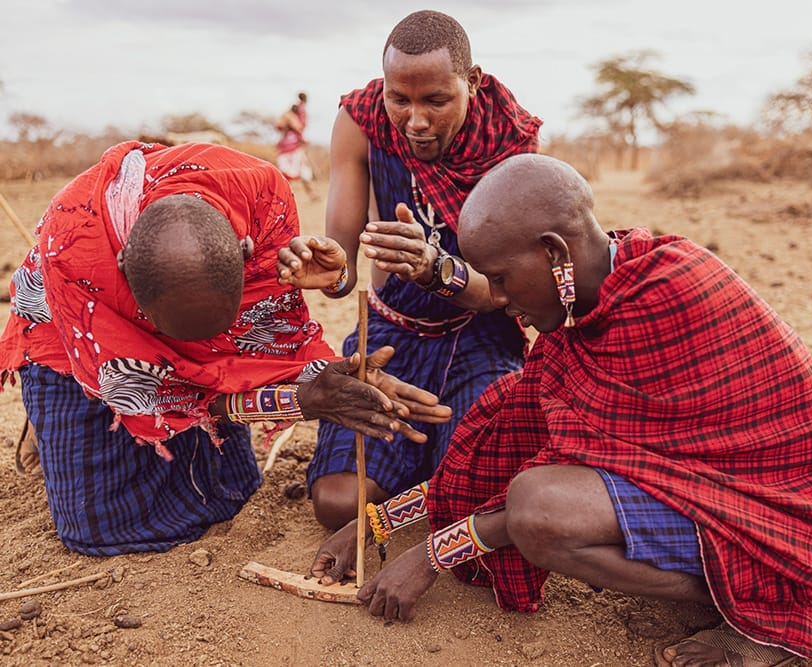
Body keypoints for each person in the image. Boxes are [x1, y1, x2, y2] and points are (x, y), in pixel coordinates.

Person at [309, 155, 812, 667]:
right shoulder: (586, 313)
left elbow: (529, 497)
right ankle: (741, 588)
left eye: (502, 279)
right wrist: (378, 523)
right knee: (508, 430)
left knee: (539, 511)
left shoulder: (670, 291)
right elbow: (502, 448)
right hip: (710, 495)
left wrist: (435, 554)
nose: (499, 300)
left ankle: (762, 612)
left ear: (554, 252)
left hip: (796, 521)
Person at [0, 140, 450, 557]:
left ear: (244, 253)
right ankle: (54, 426)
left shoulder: (259, 197)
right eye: (182, 335)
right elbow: (157, 390)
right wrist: (299, 400)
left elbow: (269, 334)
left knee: (234, 492)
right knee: (98, 526)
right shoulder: (76, 252)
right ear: (124, 271)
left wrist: (320, 375)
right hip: (77, 342)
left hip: (186, 347)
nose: (191, 351)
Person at [279, 10, 542, 533]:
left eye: (436, 101)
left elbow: (507, 295)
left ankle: (439, 463)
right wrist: (331, 273)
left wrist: (435, 269)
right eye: (400, 99)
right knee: (337, 503)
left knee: (485, 490)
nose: (415, 121)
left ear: (472, 82)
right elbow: (344, 267)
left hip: (478, 337)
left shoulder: (510, 141)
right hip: (390, 333)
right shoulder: (361, 120)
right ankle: (431, 465)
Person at [275, 92, 319, 201]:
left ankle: (310, 194)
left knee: (298, 171)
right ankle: (282, 196)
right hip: (291, 147)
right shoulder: (293, 115)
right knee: (292, 171)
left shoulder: (291, 114)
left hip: (290, 147)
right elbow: (298, 128)